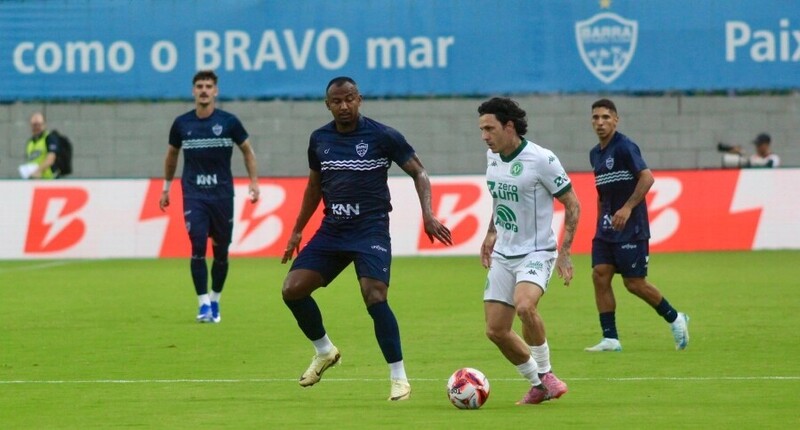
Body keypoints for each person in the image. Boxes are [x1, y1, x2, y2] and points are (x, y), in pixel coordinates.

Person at [280, 76, 453, 401]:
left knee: (374, 295)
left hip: (370, 230)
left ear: (359, 99)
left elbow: (419, 171)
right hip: (333, 230)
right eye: (337, 101)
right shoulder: (319, 140)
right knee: (292, 290)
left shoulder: (383, 136)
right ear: (327, 104)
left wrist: (428, 214)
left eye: (350, 99)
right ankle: (325, 351)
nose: (344, 106)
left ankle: (399, 376)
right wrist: (297, 228)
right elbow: (314, 187)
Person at [477, 97, 581, 405]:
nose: (484, 135)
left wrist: (564, 251)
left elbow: (573, 204)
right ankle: (537, 384)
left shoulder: (542, 159)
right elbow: (500, 198)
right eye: (481, 129)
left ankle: (547, 374)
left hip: (537, 252)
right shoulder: (492, 156)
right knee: (496, 330)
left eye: (489, 128)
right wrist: (491, 231)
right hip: (503, 254)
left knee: (524, 307)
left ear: (509, 127)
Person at [585, 98, 689, 352]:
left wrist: (628, 207)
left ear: (616, 120)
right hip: (607, 229)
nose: (600, 122)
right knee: (600, 275)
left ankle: (675, 318)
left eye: (606, 117)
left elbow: (647, 177)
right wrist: (600, 223)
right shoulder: (595, 154)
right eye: (596, 117)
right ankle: (610, 338)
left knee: (634, 283)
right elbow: (601, 193)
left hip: (632, 227)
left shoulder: (625, 147)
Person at [159, 70, 260, 324]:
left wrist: (254, 182)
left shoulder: (229, 122)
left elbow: (247, 150)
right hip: (194, 194)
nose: (204, 90)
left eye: (208, 86)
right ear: (193, 91)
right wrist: (166, 187)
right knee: (197, 246)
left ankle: (215, 298)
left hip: (222, 195)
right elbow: (172, 156)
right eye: (199, 86)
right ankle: (203, 304)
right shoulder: (182, 124)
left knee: (222, 252)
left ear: (216, 91)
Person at [23, 112, 62, 179]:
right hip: (36, 180)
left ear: (44, 125)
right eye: (34, 125)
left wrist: (38, 171)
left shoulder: (49, 138)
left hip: (50, 179)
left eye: (39, 124)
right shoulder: (30, 143)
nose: (37, 127)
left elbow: (51, 158)